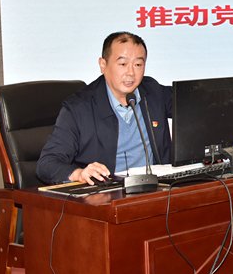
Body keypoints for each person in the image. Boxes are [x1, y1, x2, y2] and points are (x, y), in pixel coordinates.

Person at [36, 31, 172, 185]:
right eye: (123, 64)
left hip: (157, 189)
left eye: (138, 65)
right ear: (103, 65)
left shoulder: (153, 92)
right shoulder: (79, 108)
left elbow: (191, 102)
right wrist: (80, 174)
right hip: (107, 191)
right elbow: (47, 164)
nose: (131, 73)